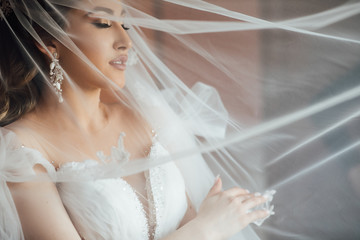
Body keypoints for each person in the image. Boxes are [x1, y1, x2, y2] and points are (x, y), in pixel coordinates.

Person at [0, 1, 273, 239]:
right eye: (104, 23)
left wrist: (213, 219)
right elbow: (198, 231)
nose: (126, 42)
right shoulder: (19, 150)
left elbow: (186, 223)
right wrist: (207, 229)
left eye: (125, 25)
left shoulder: (151, 118)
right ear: (49, 43)